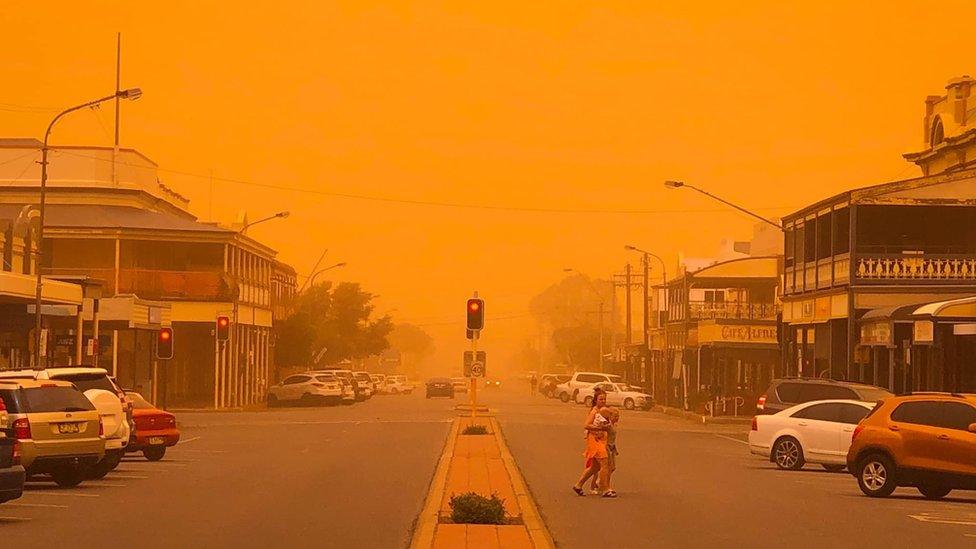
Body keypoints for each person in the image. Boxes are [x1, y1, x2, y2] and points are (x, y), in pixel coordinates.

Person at [572, 390, 614, 497]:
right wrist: (599, 428)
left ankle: (578, 485)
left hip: (601, 439)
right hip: (594, 440)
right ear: (596, 400)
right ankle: (605, 489)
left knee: (595, 467)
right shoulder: (594, 412)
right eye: (600, 399)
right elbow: (586, 425)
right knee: (604, 463)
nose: (603, 401)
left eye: (604, 399)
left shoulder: (604, 411)